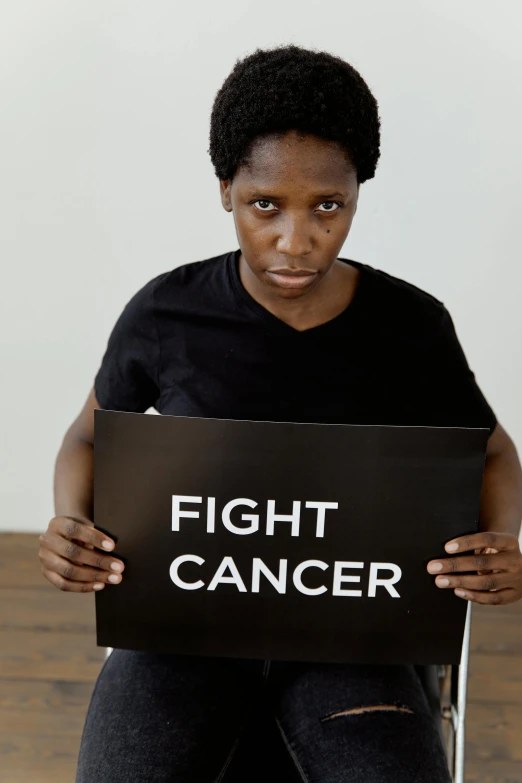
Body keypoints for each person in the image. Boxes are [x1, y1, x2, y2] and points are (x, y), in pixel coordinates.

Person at [38, 44, 522, 783]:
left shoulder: (410, 325)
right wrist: (71, 521)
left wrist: (497, 540)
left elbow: (492, 452)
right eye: (265, 204)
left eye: (329, 205)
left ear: (358, 192)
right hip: (183, 630)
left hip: (352, 636)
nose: (296, 241)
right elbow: (88, 434)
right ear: (226, 188)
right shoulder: (168, 311)